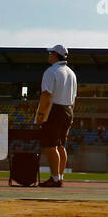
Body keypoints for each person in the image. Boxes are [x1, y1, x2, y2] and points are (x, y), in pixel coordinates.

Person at [35, 44, 77, 188]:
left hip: (54, 110)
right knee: (60, 145)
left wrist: (40, 114)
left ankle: (55, 178)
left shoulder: (51, 71)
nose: (49, 55)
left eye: (50, 53)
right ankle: (60, 176)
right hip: (68, 109)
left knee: (50, 145)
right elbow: (74, 98)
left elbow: (46, 94)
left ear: (55, 55)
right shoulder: (71, 73)